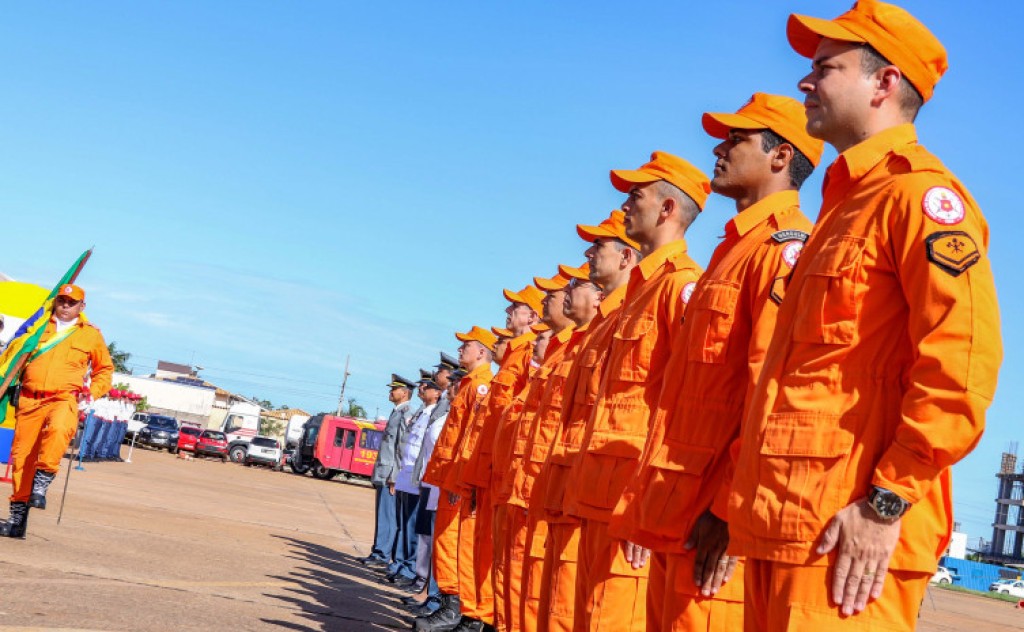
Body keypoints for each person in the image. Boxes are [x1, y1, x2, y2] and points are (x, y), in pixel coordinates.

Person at [727, 2, 1002, 629]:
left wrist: (887, 501)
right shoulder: (842, 210)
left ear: (885, 82)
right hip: (789, 522)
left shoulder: (920, 197)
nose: (805, 82)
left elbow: (961, 367)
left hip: (851, 535)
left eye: (825, 67)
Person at [608, 93, 823, 631]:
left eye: (736, 139)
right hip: (677, 507)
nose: (719, 149)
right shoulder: (732, 254)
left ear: (780, 157)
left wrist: (728, 507)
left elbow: (772, 393)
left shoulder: (781, 249)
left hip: (713, 521)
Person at [564, 152, 708, 630]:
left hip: (632, 499)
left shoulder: (681, 287)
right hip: (599, 492)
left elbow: (688, 402)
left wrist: (652, 503)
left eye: (636, 195)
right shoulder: (636, 299)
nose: (626, 204)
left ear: (667, 209)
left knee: (611, 616)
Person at [537, 214, 640, 632]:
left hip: (618, 493)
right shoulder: (598, 332)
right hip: (579, 486)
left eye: (599, 246)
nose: (588, 253)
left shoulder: (658, 298)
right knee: (563, 603)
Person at [444, 285, 543, 632]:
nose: (506, 315)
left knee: (496, 555)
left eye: (514, 308)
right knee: (482, 550)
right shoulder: (515, 358)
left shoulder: (529, 355)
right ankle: (471, 612)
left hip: (508, 472)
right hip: (488, 468)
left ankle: (479, 616)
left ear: (531, 316)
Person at [515, 267, 601, 632]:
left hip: (580, 491)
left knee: (558, 597)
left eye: (571, 287)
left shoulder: (588, 343)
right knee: (533, 587)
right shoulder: (562, 352)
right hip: (543, 486)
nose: (561, 295)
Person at [0, 284, 113, 538]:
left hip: (64, 397)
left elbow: (104, 370)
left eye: (71, 302)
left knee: (60, 429)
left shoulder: (90, 335)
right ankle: (17, 522)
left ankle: (42, 483)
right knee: (21, 460)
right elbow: (13, 355)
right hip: (29, 401)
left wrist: (92, 392)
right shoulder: (38, 327)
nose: (65, 306)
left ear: (81, 307)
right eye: (61, 300)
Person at [418, 327, 496, 632]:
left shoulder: (482, 386)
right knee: (445, 542)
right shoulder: (468, 384)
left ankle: (458, 609)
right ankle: (453, 605)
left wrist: (462, 480)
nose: (461, 350)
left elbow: (473, 440)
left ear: (482, 352)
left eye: (467, 346)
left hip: (460, 481)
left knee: (457, 544)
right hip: (451, 478)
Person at [389, 376, 444, 587]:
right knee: (406, 525)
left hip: (420, 477)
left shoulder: (434, 414)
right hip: (409, 474)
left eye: (428, 387)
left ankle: (414, 572)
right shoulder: (422, 413)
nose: (422, 388)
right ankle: (405, 566)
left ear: (437, 392)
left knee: (417, 529)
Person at [358, 373, 416, 569]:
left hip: (391, 475)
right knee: (382, 514)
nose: (390, 392)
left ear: (405, 392)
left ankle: (382, 554)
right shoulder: (397, 412)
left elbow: (401, 448)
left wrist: (394, 477)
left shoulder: (406, 413)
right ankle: (378, 550)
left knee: (388, 516)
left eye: (394, 389)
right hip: (384, 472)